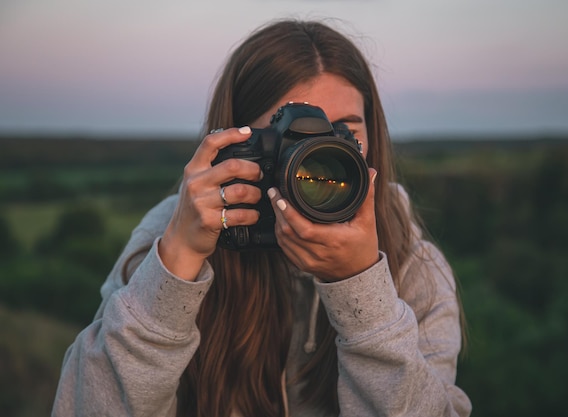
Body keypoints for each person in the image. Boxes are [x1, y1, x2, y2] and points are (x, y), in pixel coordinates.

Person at [52, 18, 471, 417]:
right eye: (291, 138)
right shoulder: (171, 236)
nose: (319, 157)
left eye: (343, 133)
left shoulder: (411, 264)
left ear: (373, 135)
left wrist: (362, 290)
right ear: (235, 144)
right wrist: (177, 261)